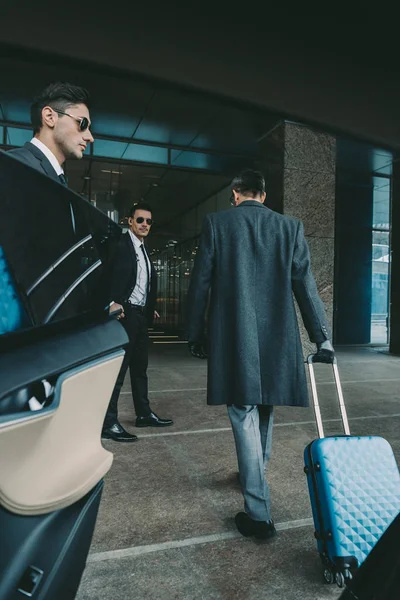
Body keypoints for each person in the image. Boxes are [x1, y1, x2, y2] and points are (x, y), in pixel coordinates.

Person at [186, 169, 333, 540]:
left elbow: (201, 282)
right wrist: (322, 339)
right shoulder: (290, 228)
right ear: (264, 196)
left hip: (235, 338)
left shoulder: (217, 225)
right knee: (263, 406)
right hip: (277, 340)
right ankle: (255, 473)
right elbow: (306, 284)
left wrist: (193, 334)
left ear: (235, 194)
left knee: (242, 410)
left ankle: (257, 512)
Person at [102, 202, 173, 442]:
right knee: (119, 371)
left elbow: (143, 284)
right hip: (124, 315)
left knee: (140, 369)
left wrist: (148, 308)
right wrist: (110, 302)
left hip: (140, 316)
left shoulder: (144, 250)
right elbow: (102, 275)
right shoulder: (120, 245)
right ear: (130, 221)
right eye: (140, 220)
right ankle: (108, 422)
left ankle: (143, 414)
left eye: (148, 221)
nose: (144, 224)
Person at [8, 81, 94, 186]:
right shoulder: (14, 167)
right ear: (49, 117)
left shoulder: (53, 174)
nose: (90, 138)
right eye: (83, 124)